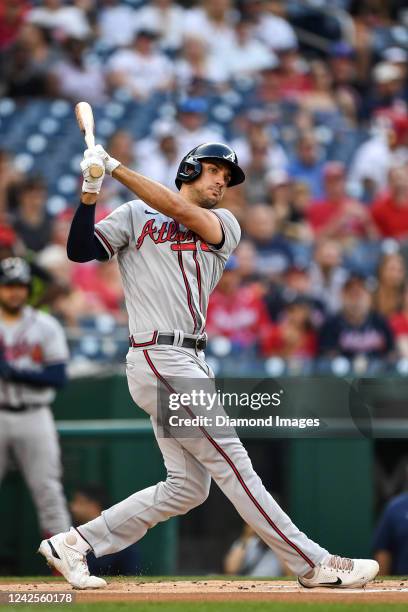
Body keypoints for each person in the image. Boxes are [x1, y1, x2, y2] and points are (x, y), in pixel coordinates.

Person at [38, 141, 379, 589]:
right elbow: (81, 250)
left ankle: (75, 543)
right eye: (216, 170)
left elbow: (182, 213)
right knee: (234, 462)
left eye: (228, 176)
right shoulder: (135, 214)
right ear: (190, 168)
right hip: (159, 354)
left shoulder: (224, 223)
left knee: (187, 488)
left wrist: (116, 167)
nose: (223, 180)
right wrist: (90, 189)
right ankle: (312, 563)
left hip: (189, 356)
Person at [0, 256, 70, 540]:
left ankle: (65, 562)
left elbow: (58, 377)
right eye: (8, 286)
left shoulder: (45, 325)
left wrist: (14, 373)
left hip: (35, 413)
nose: (15, 291)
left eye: (21, 286)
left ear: (29, 289)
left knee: (48, 490)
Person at [70, 485, 141, 577]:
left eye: (79, 502)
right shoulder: (72, 535)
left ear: (93, 506)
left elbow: (132, 577)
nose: (73, 507)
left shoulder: (119, 537)